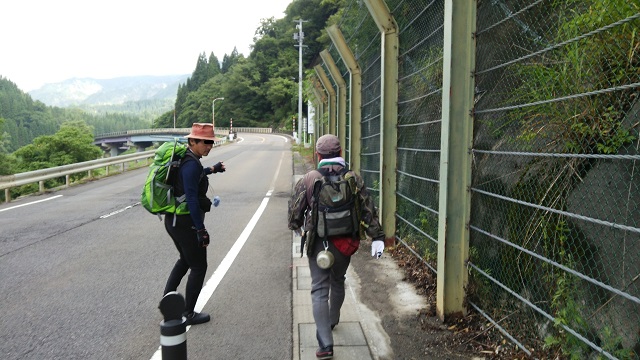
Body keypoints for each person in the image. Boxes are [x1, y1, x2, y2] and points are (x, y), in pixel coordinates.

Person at [288, 134, 386, 359]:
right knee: (338, 280)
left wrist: (297, 227)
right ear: (341, 153)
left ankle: (325, 345)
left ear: (318, 154)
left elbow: (294, 211)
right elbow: (368, 209)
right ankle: (333, 320)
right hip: (346, 242)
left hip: (319, 243)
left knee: (319, 289)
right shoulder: (353, 178)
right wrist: (377, 236)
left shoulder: (310, 178)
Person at [163, 123, 226, 326]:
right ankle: (188, 313)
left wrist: (212, 169)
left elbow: (192, 176)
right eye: (205, 142)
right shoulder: (191, 163)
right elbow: (191, 197)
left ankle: (167, 301)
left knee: (185, 260)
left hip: (173, 220)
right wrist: (201, 230)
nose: (209, 146)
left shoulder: (189, 160)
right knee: (199, 266)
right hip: (185, 223)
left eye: (211, 142)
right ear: (192, 141)